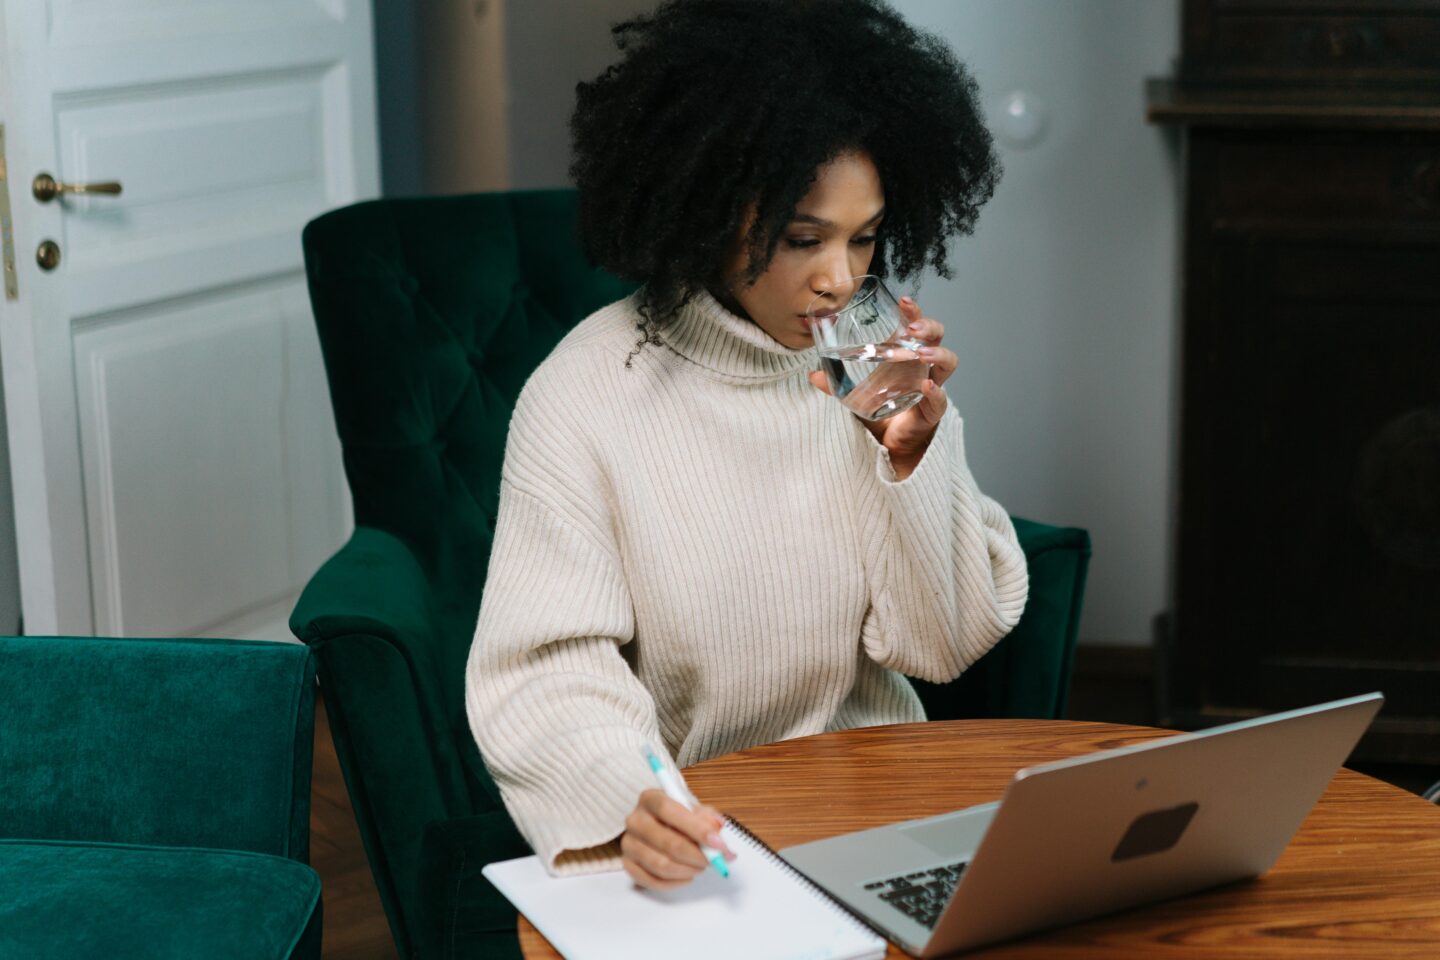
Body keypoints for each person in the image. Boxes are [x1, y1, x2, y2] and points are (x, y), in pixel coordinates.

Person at [465, 0, 1028, 891]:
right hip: (710, 833)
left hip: (888, 809)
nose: (841, 279)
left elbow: (945, 644)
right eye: (803, 238)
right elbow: (550, 669)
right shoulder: (585, 393)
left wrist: (915, 459)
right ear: (711, 208)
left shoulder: (874, 362)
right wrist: (630, 803)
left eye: (866, 237)